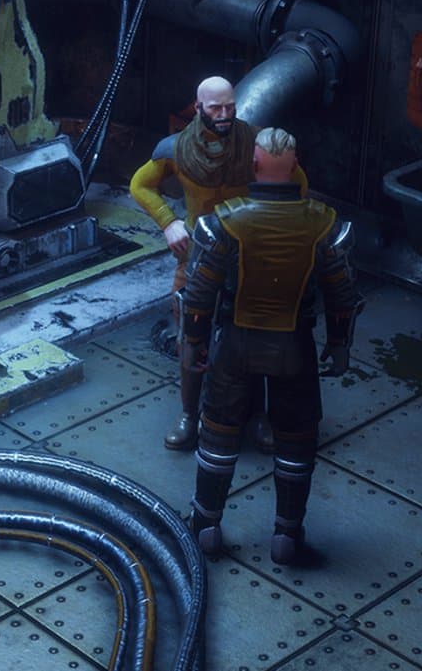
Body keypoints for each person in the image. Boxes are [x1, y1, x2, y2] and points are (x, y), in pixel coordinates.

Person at [179, 127, 362, 565]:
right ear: (295, 165)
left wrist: (193, 343)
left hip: (235, 343)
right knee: (297, 442)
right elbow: (342, 294)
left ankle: (206, 526)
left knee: (219, 435)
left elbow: (199, 292)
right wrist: (339, 344)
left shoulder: (225, 220)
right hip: (294, 346)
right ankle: (287, 535)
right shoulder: (323, 223)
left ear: (254, 164)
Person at [128, 76, 307, 450]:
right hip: (198, 253)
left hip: (250, 256)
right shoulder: (176, 149)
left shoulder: (256, 145)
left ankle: (257, 416)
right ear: (198, 108)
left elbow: (297, 182)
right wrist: (169, 222)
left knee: (259, 334)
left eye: (230, 107)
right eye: (216, 108)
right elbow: (140, 185)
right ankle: (189, 416)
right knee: (191, 336)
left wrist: (275, 225)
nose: (224, 114)